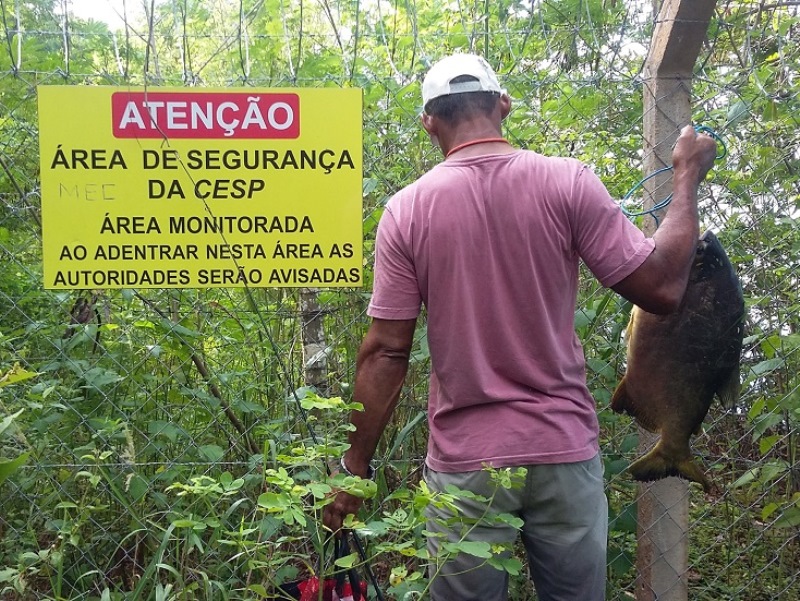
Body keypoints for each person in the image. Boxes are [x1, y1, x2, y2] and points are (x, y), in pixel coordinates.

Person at [322, 53, 718, 601]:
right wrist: (686, 177)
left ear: (429, 122)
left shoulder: (406, 212)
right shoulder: (567, 182)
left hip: (466, 464)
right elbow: (661, 288)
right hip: (562, 446)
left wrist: (354, 468)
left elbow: (386, 354)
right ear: (502, 105)